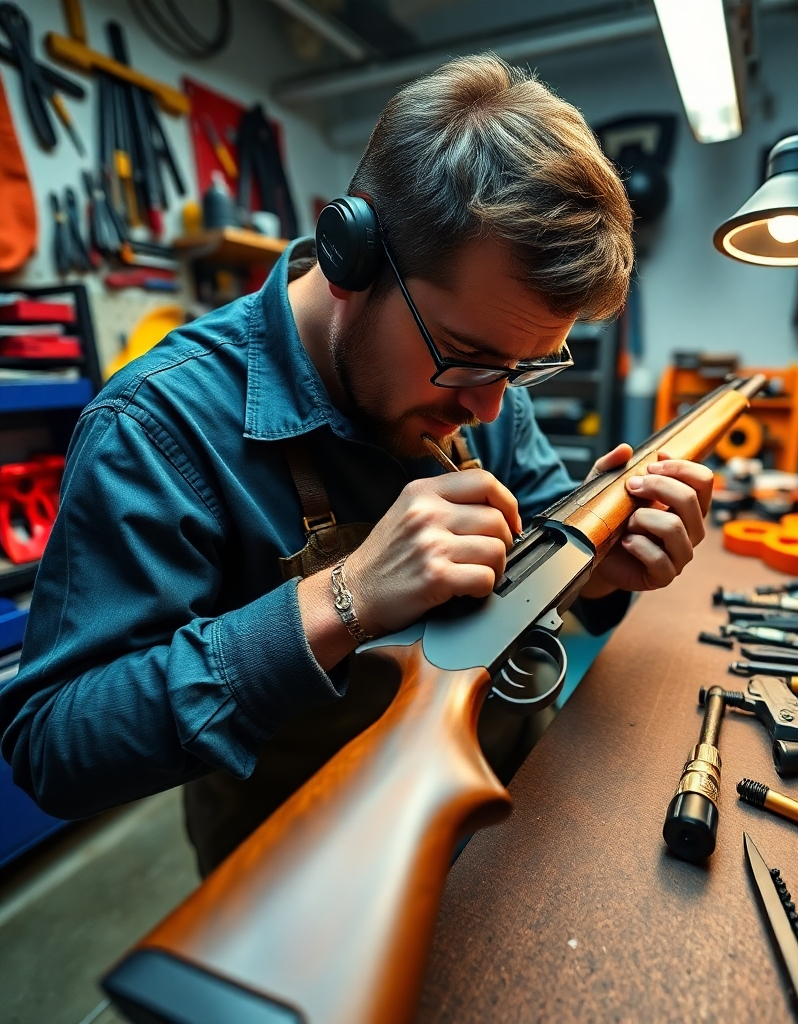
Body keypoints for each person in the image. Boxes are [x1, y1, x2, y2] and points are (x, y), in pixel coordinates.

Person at [0, 55, 712, 875]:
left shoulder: (487, 372)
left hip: (509, 823)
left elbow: (549, 519)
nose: (491, 405)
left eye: (524, 369)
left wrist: (603, 565)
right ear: (351, 259)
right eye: (468, 359)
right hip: (308, 884)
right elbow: (53, 745)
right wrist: (343, 600)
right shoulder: (157, 427)